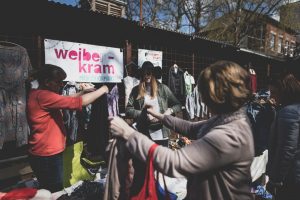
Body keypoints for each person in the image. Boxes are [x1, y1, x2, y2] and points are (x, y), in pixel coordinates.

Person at [110, 60, 254, 200]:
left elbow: (174, 162)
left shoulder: (230, 135)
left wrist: (129, 134)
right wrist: (160, 115)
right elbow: (191, 127)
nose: (203, 100)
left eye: (205, 94)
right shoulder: (226, 119)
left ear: (219, 95)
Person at [26, 64, 108, 192]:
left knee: (47, 190)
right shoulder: (43, 96)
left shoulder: (38, 94)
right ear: (47, 82)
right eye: (58, 82)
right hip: (47, 156)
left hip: (43, 153)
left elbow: (62, 99)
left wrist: (83, 92)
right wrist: (102, 89)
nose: (60, 85)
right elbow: (80, 103)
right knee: (55, 192)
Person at [126, 61, 181, 145]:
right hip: (143, 133)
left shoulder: (163, 89)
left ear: (153, 74)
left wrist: (168, 112)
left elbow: (178, 105)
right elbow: (128, 110)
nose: (146, 76)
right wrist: (143, 114)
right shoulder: (136, 90)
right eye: (143, 74)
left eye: (148, 73)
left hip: (161, 133)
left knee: (161, 157)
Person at [266, 73, 300, 199]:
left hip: (290, 178)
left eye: (274, 92)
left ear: (284, 92)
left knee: (264, 193)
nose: (271, 96)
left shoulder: (288, 112)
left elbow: (287, 149)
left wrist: (275, 179)